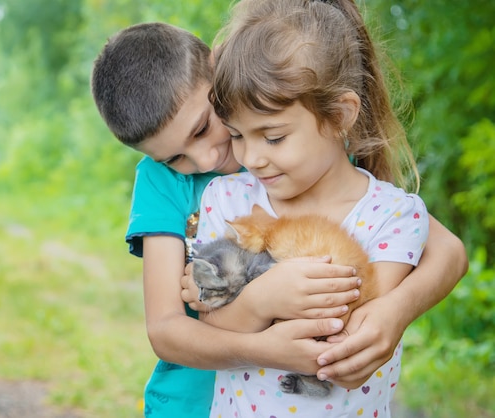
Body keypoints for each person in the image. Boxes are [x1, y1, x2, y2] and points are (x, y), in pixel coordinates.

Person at [90, 21, 467, 418]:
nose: (205, 160)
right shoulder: (167, 183)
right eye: (173, 158)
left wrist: (396, 309)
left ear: (220, 73)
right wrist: (266, 340)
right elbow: (165, 327)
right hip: (192, 403)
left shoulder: (306, 157)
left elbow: (447, 250)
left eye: (203, 128)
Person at [186, 0, 439, 415]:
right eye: (236, 135)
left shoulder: (391, 214)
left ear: (340, 115)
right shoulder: (228, 199)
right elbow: (211, 324)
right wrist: (261, 301)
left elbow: (359, 337)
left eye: (273, 137)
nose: (251, 157)